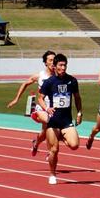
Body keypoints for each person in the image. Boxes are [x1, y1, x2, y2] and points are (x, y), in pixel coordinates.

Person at [38, 54, 83, 185]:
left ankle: (62, 137)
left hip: (66, 120)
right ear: (55, 66)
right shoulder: (49, 82)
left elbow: (77, 98)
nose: (63, 68)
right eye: (60, 65)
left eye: (65, 65)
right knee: (54, 150)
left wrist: (79, 112)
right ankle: (52, 174)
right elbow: (40, 97)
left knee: (74, 145)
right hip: (53, 122)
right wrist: (46, 108)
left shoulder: (72, 81)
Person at [7, 51, 56, 156]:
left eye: (54, 60)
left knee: (44, 132)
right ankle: (50, 151)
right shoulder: (40, 76)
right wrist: (16, 99)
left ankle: (36, 143)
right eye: (50, 60)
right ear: (45, 62)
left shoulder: (59, 76)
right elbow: (25, 83)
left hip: (53, 109)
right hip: (42, 108)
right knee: (50, 123)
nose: (53, 62)